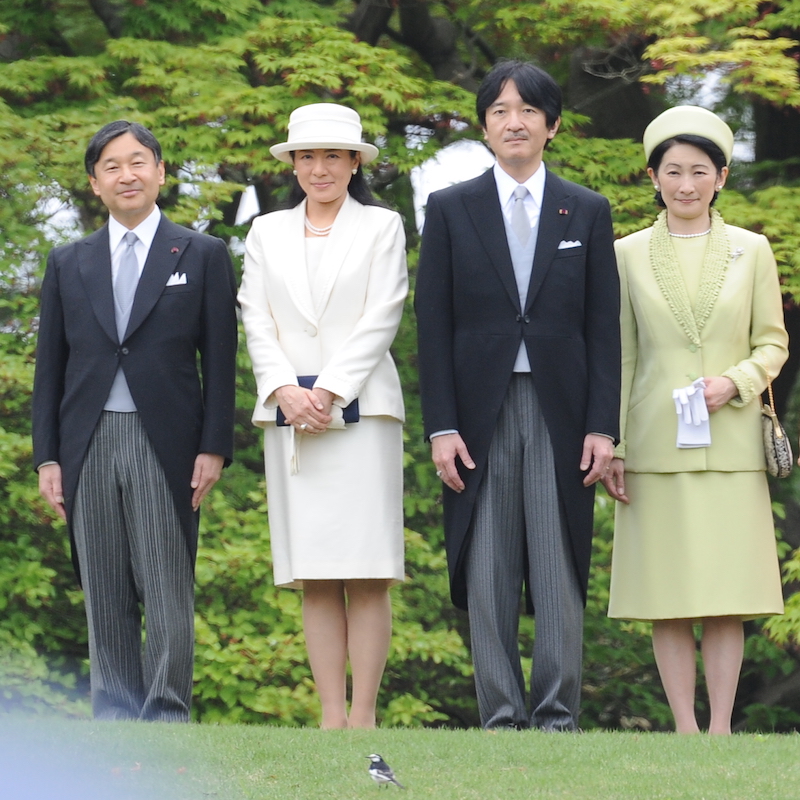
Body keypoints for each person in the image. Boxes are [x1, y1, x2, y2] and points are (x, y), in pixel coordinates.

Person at [415, 60, 621, 731]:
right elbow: (432, 325)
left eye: (528, 110)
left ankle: (558, 713)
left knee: (559, 558)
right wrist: (440, 425)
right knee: (488, 562)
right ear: (484, 126)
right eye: (500, 110)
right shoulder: (449, 209)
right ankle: (500, 713)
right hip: (478, 412)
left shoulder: (587, 210)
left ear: (551, 125)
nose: (514, 121)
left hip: (563, 411)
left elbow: (602, 326)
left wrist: (602, 425)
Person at [32, 121, 238, 721]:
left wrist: (214, 446)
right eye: (113, 166)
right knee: (102, 584)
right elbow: (51, 367)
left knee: (165, 579)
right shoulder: (69, 262)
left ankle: (167, 708)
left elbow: (220, 361)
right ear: (95, 183)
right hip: (86, 441)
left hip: (166, 440)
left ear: (161, 171)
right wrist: (48, 456)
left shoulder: (201, 254)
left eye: (139, 161)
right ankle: (114, 712)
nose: (128, 174)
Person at [603, 106, 788, 734]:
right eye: (673, 171)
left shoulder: (752, 250)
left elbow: (774, 343)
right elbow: (621, 354)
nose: (686, 184)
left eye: (700, 172)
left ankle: (721, 729)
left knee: (727, 597)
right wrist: (617, 445)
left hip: (732, 445)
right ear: (652, 176)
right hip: (656, 444)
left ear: (723, 177)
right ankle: (684, 726)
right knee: (668, 595)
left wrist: (732, 383)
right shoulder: (624, 254)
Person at [238, 103, 407, 729]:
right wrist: (285, 388)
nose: (319, 168)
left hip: (364, 416)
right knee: (313, 572)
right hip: (288, 416)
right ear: (293, 164)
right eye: (307, 156)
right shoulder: (265, 232)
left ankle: (363, 715)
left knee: (366, 570)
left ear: (355, 160)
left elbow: (383, 312)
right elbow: (255, 317)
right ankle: (330, 716)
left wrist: (330, 391)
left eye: (332, 155)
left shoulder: (383, 226)